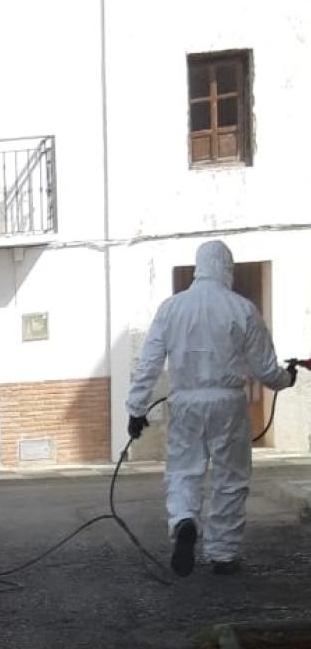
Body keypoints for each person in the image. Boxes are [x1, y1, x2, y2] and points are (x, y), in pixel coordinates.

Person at [126, 240, 295, 577]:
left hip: (185, 401)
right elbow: (264, 369)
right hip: (229, 402)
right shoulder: (242, 309)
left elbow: (148, 364)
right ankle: (223, 554)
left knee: (184, 470)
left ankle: (184, 520)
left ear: (198, 267)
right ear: (227, 268)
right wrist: (285, 379)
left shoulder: (171, 308)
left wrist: (136, 409)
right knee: (230, 478)